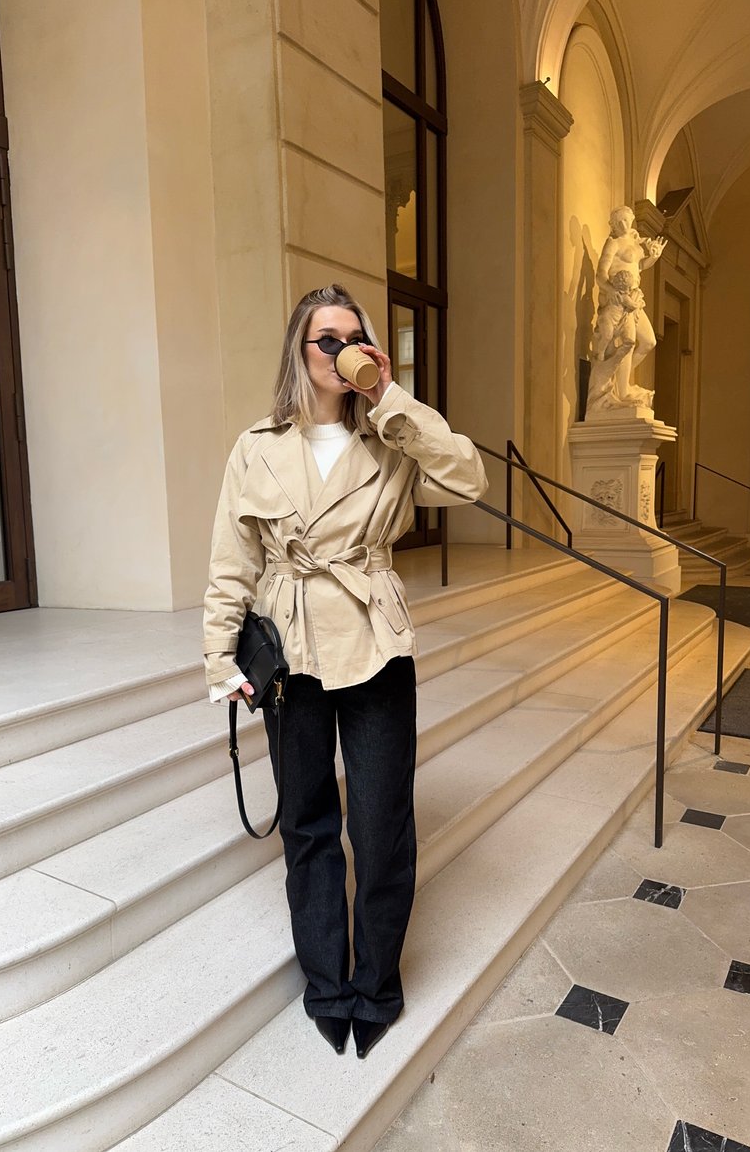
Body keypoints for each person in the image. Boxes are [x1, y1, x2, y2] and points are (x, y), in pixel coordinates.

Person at [203, 283, 487, 1059]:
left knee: (382, 827)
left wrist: (390, 393)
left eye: (354, 337)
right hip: (291, 651)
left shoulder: (391, 434)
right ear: (299, 351)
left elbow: (468, 478)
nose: (341, 351)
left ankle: (378, 984)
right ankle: (327, 983)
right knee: (308, 825)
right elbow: (232, 564)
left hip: (374, 644)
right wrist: (220, 657)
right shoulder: (256, 445)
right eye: (325, 340)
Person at [587, 205, 666, 412]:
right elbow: (601, 275)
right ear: (612, 224)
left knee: (649, 342)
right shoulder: (613, 243)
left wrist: (653, 257)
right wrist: (611, 290)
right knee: (628, 343)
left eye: (625, 220)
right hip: (619, 301)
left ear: (631, 220)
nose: (623, 225)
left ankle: (620, 383)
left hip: (634, 299)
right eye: (618, 221)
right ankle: (622, 391)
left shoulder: (634, 239)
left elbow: (638, 267)